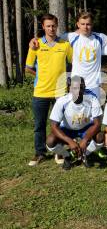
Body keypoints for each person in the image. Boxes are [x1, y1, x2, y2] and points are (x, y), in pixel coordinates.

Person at [30, 12, 107, 101]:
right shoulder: (70, 37)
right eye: (82, 24)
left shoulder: (101, 37)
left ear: (92, 24)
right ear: (78, 24)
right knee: (76, 113)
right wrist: (34, 40)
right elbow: (51, 38)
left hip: (94, 85)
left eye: (88, 24)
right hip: (76, 85)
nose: (85, 27)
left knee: (94, 113)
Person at [25, 14, 73, 166]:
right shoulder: (36, 45)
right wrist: (41, 76)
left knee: (60, 124)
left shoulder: (65, 45)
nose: (51, 28)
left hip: (61, 92)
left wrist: (67, 79)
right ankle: (39, 153)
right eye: (48, 26)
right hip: (40, 92)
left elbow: (72, 65)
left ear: (57, 25)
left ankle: (58, 151)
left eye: (53, 25)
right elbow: (28, 68)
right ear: (43, 27)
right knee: (39, 125)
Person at [46, 76, 104, 170]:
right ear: (69, 88)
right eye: (74, 88)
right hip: (67, 129)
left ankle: (86, 154)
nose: (78, 90)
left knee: (100, 137)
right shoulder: (62, 101)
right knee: (50, 141)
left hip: (85, 128)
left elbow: (97, 124)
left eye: (81, 87)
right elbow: (53, 126)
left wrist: (85, 140)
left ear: (84, 87)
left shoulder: (92, 99)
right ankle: (67, 155)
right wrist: (70, 142)